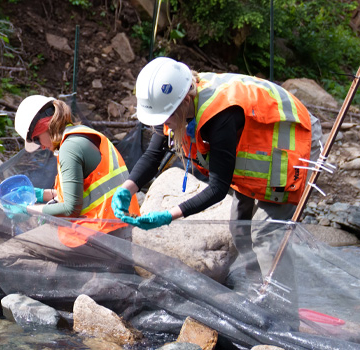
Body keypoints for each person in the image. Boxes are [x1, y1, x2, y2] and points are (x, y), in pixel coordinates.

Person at [113, 57, 322, 328]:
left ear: (185, 100)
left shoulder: (220, 115)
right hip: (255, 150)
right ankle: (258, 298)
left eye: (165, 116)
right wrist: (127, 189)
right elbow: (155, 152)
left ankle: (284, 321)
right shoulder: (172, 105)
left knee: (266, 233)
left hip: (290, 144)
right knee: (238, 227)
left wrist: (168, 215)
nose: (162, 122)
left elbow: (218, 188)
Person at [0, 95, 140, 284]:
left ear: (43, 126)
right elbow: (85, 193)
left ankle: (80, 281)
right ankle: (90, 275)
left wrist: (28, 208)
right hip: (118, 231)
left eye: (37, 140)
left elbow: (71, 208)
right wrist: (41, 195)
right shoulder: (82, 135)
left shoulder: (69, 149)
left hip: (100, 235)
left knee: (6, 253)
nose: (40, 147)